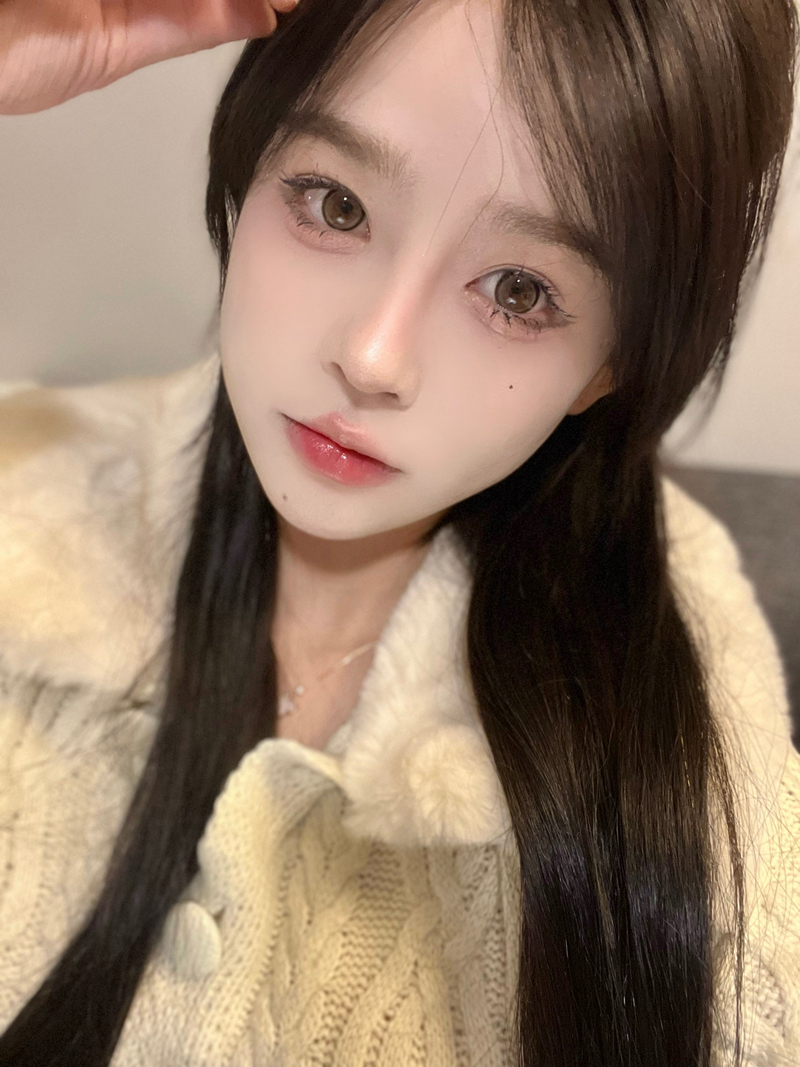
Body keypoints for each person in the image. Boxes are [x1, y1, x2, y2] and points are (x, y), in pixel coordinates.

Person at [0, 0, 798, 1064]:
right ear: (251, 161)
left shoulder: (702, 803)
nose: (374, 356)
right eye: (335, 204)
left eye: (518, 290)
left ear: (610, 363)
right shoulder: (26, 501)